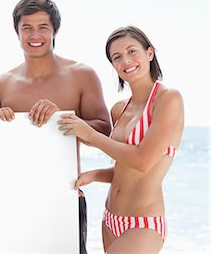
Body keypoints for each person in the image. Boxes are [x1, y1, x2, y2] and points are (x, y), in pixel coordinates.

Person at [0, 0, 111, 254]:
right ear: (17, 32)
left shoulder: (81, 75)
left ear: (55, 30)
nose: (35, 35)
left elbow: (104, 132)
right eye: (27, 28)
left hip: (64, 197)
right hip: (13, 199)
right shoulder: (2, 84)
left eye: (43, 27)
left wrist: (63, 121)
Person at [58, 26, 184, 253]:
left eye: (132, 51)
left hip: (143, 224)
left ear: (150, 53)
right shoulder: (119, 109)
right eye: (117, 57)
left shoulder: (168, 100)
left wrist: (91, 135)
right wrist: (94, 175)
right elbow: (125, 168)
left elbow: (143, 162)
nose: (126, 60)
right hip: (110, 219)